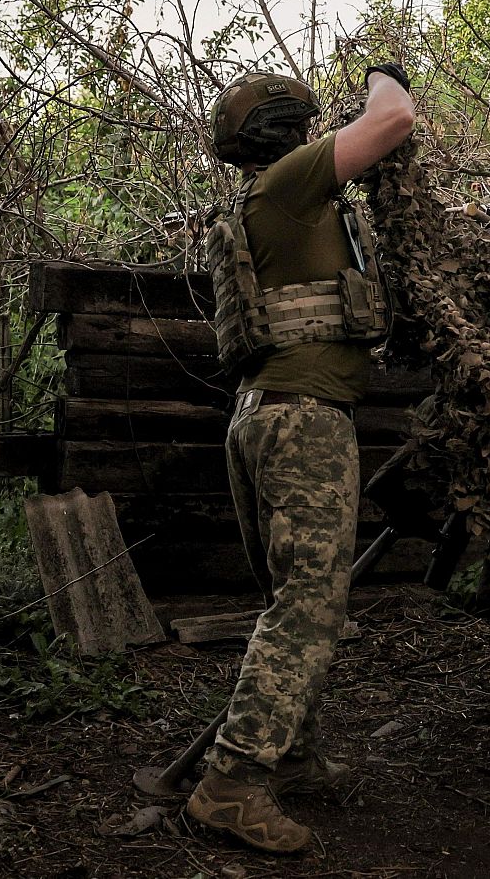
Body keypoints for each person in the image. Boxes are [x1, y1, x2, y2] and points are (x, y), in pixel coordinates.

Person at [188, 65, 415, 853]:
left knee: (289, 601)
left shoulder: (261, 200)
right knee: (309, 606)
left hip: (261, 419)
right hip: (304, 423)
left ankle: (291, 757)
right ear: (288, 129)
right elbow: (393, 120)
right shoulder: (287, 184)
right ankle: (234, 781)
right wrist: (386, 75)